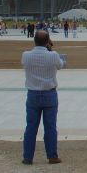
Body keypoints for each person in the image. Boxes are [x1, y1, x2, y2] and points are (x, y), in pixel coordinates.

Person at [21, 30, 66, 165]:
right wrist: (50, 49)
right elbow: (61, 65)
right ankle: (52, 156)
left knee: (31, 127)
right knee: (50, 127)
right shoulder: (53, 55)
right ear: (47, 41)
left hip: (33, 94)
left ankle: (28, 157)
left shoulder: (26, 55)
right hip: (49, 94)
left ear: (34, 40)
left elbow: (25, 63)